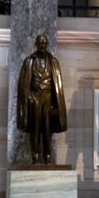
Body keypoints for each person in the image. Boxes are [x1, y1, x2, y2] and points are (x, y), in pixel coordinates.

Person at [17, 34, 67, 165]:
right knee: (35, 128)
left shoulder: (53, 62)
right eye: (40, 43)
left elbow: (58, 84)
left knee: (47, 128)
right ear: (36, 44)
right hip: (35, 96)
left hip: (48, 97)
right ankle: (35, 156)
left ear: (47, 44)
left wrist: (56, 104)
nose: (42, 45)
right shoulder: (29, 61)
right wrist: (28, 97)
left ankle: (48, 156)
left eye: (44, 43)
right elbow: (23, 83)